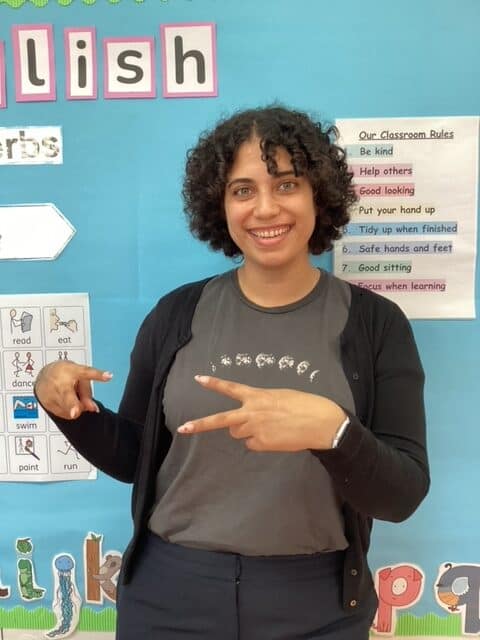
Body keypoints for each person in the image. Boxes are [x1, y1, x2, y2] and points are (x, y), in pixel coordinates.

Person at [34, 105, 429, 640]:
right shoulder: (176, 314)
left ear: (320, 196)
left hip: (317, 601)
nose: (265, 208)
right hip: (170, 594)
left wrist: (333, 433)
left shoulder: (376, 324)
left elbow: (402, 494)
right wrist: (70, 410)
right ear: (219, 205)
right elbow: (133, 456)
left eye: (286, 184)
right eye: (242, 190)